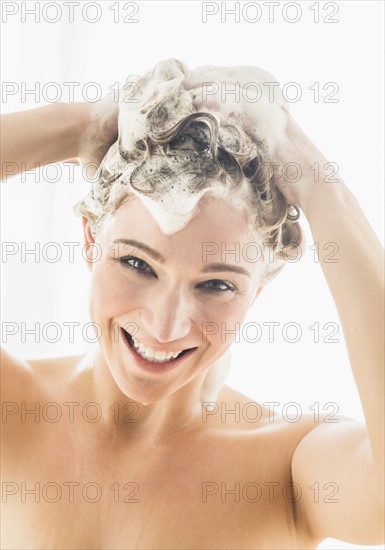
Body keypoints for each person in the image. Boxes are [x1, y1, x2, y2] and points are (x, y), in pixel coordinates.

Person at [1, 59, 384, 549]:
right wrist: (87, 124)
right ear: (91, 241)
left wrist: (320, 187)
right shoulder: (12, 411)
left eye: (216, 286)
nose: (164, 326)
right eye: (138, 265)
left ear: (257, 293)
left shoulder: (287, 469)